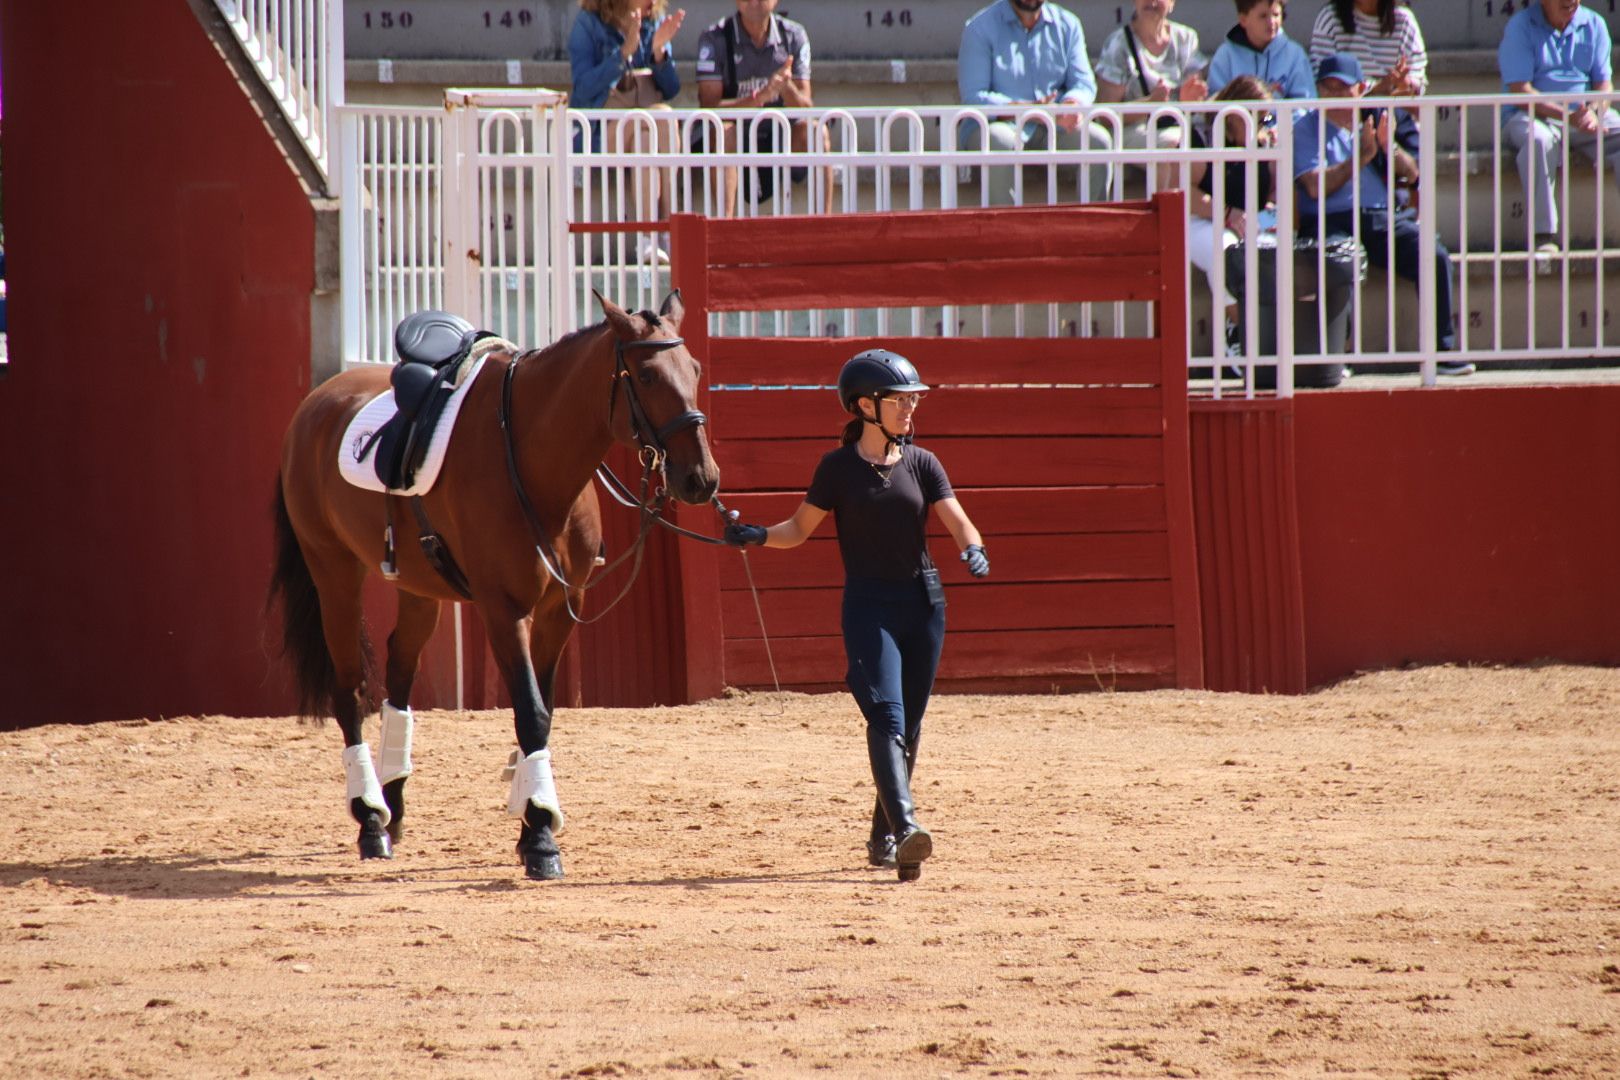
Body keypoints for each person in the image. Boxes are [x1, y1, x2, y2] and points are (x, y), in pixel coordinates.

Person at [721, 350, 989, 883]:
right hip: (870, 608)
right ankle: (908, 827)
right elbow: (797, 530)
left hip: (924, 608)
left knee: (908, 727)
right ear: (866, 406)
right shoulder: (837, 469)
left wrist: (973, 548)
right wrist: (755, 535)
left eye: (914, 398)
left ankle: (883, 835)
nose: (911, 407)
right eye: (899, 400)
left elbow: (959, 520)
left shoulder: (923, 463)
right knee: (886, 717)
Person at [1294, 53, 1474, 375]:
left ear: (1361, 89)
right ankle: (1337, 355)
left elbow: (1414, 172)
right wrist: (1360, 158)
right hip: (1328, 219)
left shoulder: (1379, 117)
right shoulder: (1305, 125)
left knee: (1432, 254)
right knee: (1335, 256)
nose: (1334, 95)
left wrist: (1388, 147)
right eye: (1327, 87)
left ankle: (1440, 352)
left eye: (1343, 87)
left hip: (1381, 216)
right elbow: (1313, 188)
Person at [957, 0, 1116, 205]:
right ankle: (1006, 233)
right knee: (999, 141)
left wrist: (1070, 104)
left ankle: (1094, 229)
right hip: (1001, 124)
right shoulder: (979, 27)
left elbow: (1084, 83)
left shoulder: (1068, 24)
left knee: (1099, 140)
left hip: (1055, 125)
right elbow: (974, 95)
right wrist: (1030, 111)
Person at [1498, 0, 1620, 266]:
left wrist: (1593, 112)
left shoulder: (1595, 23)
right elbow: (1521, 92)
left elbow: (1603, 83)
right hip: (1530, 115)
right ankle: (1544, 235)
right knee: (1538, 140)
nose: (1571, 1)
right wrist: (1568, 116)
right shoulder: (1520, 26)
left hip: (1581, 115)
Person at [568, 0, 686, 263]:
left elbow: (672, 89)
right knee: (656, 118)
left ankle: (654, 237)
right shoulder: (588, 24)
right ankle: (666, 232)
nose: (653, 2)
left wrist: (658, 54)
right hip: (603, 132)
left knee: (654, 130)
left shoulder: (654, 21)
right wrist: (623, 54)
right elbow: (583, 88)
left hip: (647, 130)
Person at [694, 0, 835, 216]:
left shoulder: (793, 35)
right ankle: (724, 230)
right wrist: (760, 96)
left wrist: (785, 87)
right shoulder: (715, 36)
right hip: (738, 137)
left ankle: (824, 229)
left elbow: (807, 107)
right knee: (723, 131)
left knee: (817, 132)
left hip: (782, 137)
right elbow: (709, 108)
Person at [1177, 77, 1278, 356]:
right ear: (1233, 112)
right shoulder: (1203, 136)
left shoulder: (1266, 141)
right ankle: (1242, 333)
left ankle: (1277, 338)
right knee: (1224, 251)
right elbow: (1185, 191)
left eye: (1265, 117)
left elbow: (1274, 195)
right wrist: (1227, 213)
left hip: (1247, 221)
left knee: (1279, 252)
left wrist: (1269, 214)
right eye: (1256, 116)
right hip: (1198, 220)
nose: (1262, 123)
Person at [1095, 0, 1208, 153]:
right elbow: (1106, 116)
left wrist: (1188, 100)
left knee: (1193, 145)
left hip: (1179, 126)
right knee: (1172, 146)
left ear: (1172, 3)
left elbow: (1196, 98)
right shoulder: (1119, 44)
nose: (1152, 2)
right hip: (1132, 131)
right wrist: (1150, 103)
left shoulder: (1186, 38)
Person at [1206, 0, 1314, 101]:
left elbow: (1305, 105)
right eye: (1263, 16)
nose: (1271, 22)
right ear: (1243, 20)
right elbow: (1216, 106)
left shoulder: (1295, 55)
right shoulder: (1225, 56)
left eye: (1276, 15)